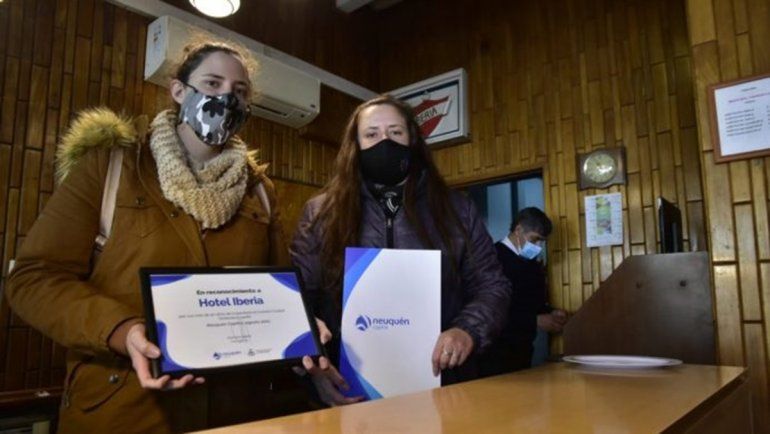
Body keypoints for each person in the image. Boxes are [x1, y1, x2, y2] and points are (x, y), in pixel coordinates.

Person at [5, 40, 332, 433]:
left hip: (235, 413)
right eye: (212, 83)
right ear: (179, 91)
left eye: (239, 92)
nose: (226, 98)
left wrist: (299, 329)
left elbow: (275, 289)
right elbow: (33, 278)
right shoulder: (112, 166)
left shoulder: (259, 190)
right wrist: (120, 330)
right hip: (127, 409)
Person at [290, 95, 511, 401]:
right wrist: (314, 364)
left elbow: (492, 285)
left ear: (413, 141)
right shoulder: (320, 212)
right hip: (345, 383)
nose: (385, 141)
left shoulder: (457, 209)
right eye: (371, 134)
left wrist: (468, 331)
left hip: (443, 383)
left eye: (395, 132)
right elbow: (300, 296)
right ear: (355, 145)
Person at [478, 207, 568, 377]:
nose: (538, 246)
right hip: (494, 352)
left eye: (542, 241)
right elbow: (488, 309)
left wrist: (551, 312)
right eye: (534, 239)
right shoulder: (491, 258)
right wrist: (534, 321)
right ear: (518, 230)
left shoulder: (532, 264)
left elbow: (532, 302)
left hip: (524, 349)